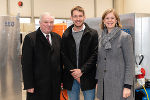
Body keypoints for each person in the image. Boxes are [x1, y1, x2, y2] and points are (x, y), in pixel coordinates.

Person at [96, 8, 135, 100]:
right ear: (103, 21)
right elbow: (100, 61)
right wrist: (98, 81)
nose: (110, 20)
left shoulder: (125, 37)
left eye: (112, 18)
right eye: (107, 18)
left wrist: (128, 86)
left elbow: (130, 63)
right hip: (104, 85)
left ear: (117, 20)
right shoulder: (100, 38)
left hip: (119, 84)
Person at [21, 12, 62, 100]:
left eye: (51, 22)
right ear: (39, 23)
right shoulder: (31, 38)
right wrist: (29, 85)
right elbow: (26, 64)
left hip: (54, 85)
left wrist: (61, 80)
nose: (49, 25)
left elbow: (60, 61)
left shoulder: (57, 38)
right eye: (46, 22)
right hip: (37, 86)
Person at [61, 6, 98, 100]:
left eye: (80, 16)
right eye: (75, 16)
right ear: (71, 18)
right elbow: (63, 55)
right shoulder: (66, 35)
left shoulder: (92, 34)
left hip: (88, 75)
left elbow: (95, 54)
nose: (78, 19)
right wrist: (74, 72)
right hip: (71, 76)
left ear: (84, 17)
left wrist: (81, 70)